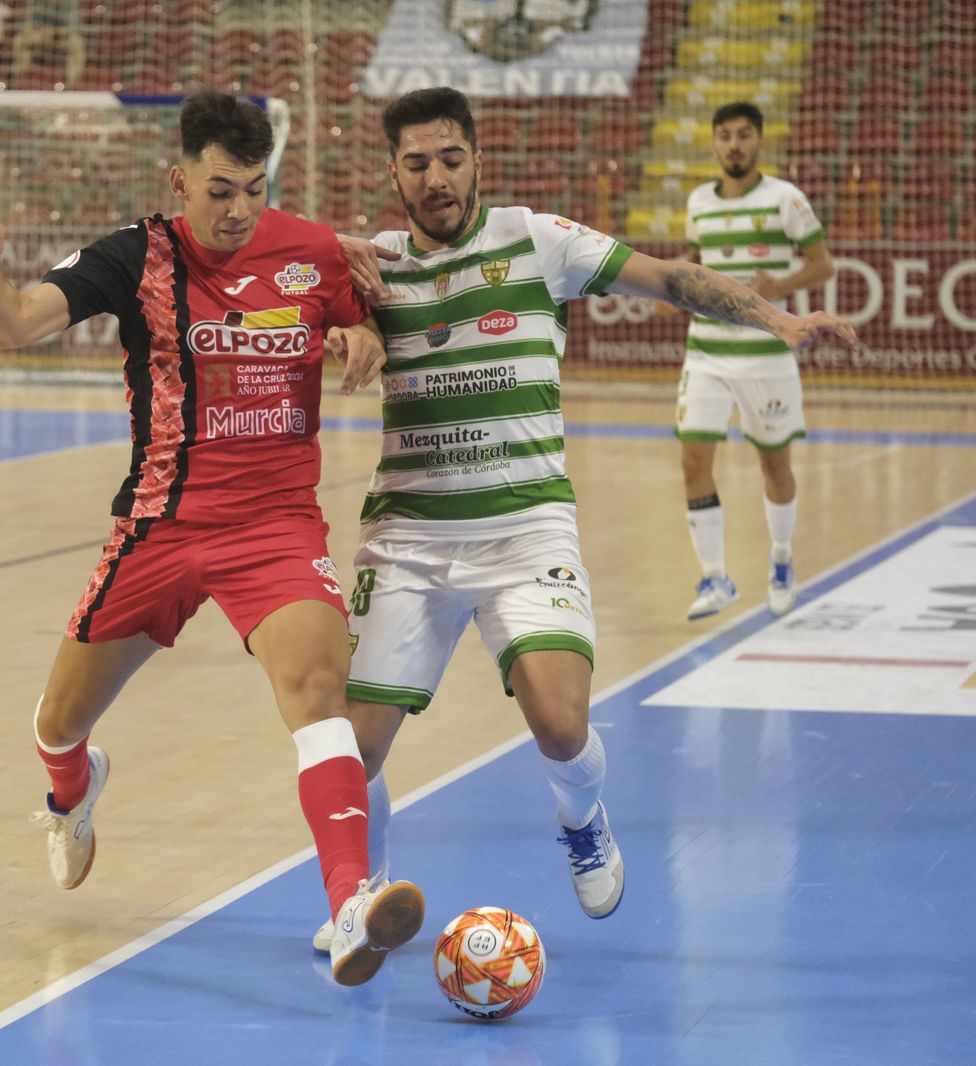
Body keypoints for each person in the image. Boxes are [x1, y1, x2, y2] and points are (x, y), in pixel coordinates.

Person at [317, 86, 856, 953]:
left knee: (563, 726)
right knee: (353, 749)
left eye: (451, 157)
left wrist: (776, 317)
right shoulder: (369, 263)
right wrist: (340, 303)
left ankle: (582, 816)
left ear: (477, 160)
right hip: (409, 538)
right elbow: (269, 272)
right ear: (394, 173)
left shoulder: (536, 238)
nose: (436, 177)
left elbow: (670, 278)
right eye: (416, 163)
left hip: (527, 528)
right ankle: (361, 898)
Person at [0, 89, 422, 987]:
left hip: (275, 525)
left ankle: (351, 904)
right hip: (159, 527)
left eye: (254, 190)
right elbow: (13, 326)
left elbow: (362, 314)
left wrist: (362, 333)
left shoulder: (310, 250)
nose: (237, 211)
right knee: (58, 725)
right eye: (219, 190)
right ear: (179, 178)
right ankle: (72, 792)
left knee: (318, 694)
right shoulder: (135, 255)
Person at [673, 101, 835, 620]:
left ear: (759, 140)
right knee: (693, 460)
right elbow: (697, 262)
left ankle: (782, 560)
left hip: (766, 355)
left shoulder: (786, 199)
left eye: (744, 135)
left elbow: (823, 265)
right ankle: (715, 577)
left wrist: (780, 287)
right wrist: (677, 284)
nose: (734, 145)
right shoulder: (698, 201)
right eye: (725, 136)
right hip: (706, 353)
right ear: (715, 143)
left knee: (774, 463)